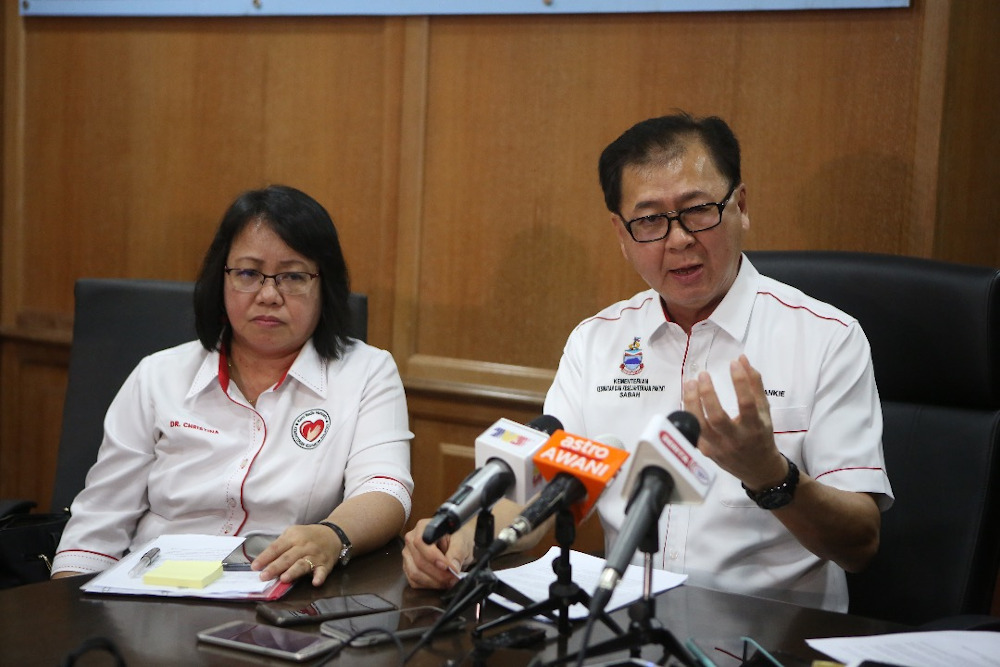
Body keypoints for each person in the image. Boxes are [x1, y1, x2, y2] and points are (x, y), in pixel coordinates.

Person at [402, 113, 893, 612]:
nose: (678, 239)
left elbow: (859, 544)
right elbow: (550, 493)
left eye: (698, 210)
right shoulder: (597, 343)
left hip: (773, 634)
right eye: (650, 220)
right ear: (621, 233)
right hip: (625, 627)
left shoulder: (827, 338)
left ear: (740, 206)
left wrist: (769, 474)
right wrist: (465, 536)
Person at [51, 185, 413, 587]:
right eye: (248, 273)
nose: (269, 295)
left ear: (323, 287)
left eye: (293, 276)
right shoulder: (157, 376)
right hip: (151, 594)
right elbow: (97, 526)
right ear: (220, 279)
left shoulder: (366, 371)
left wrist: (333, 535)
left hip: (281, 596)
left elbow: (386, 489)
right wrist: (67, 623)